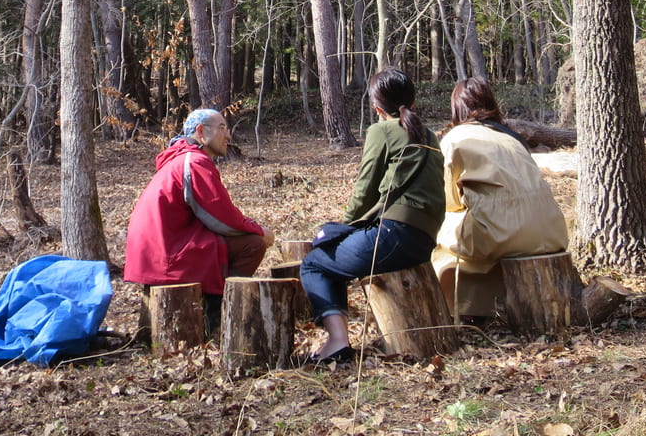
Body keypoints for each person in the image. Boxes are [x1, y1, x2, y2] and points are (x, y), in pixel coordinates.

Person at [298, 67, 445, 364]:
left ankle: (338, 342)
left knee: (315, 263)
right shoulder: (429, 135)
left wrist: (342, 225)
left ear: (377, 107)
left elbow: (365, 190)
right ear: (412, 102)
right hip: (426, 239)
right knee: (335, 257)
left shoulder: (382, 130)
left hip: (393, 235)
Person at [124, 108, 275, 331]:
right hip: (168, 255)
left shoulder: (182, 159)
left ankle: (217, 307)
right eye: (222, 128)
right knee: (253, 244)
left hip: (162, 250)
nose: (228, 135)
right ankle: (218, 314)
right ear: (201, 131)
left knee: (242, 240)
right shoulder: (194, 162)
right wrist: (259, 231)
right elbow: (220, 217)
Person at [431, 76, 568, 320]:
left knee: (442, 237)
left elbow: (449, 198)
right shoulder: (512, 138)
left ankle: (459, 309)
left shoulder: (455, 138)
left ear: (457, 107)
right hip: (552, 229)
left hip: (502, 233)